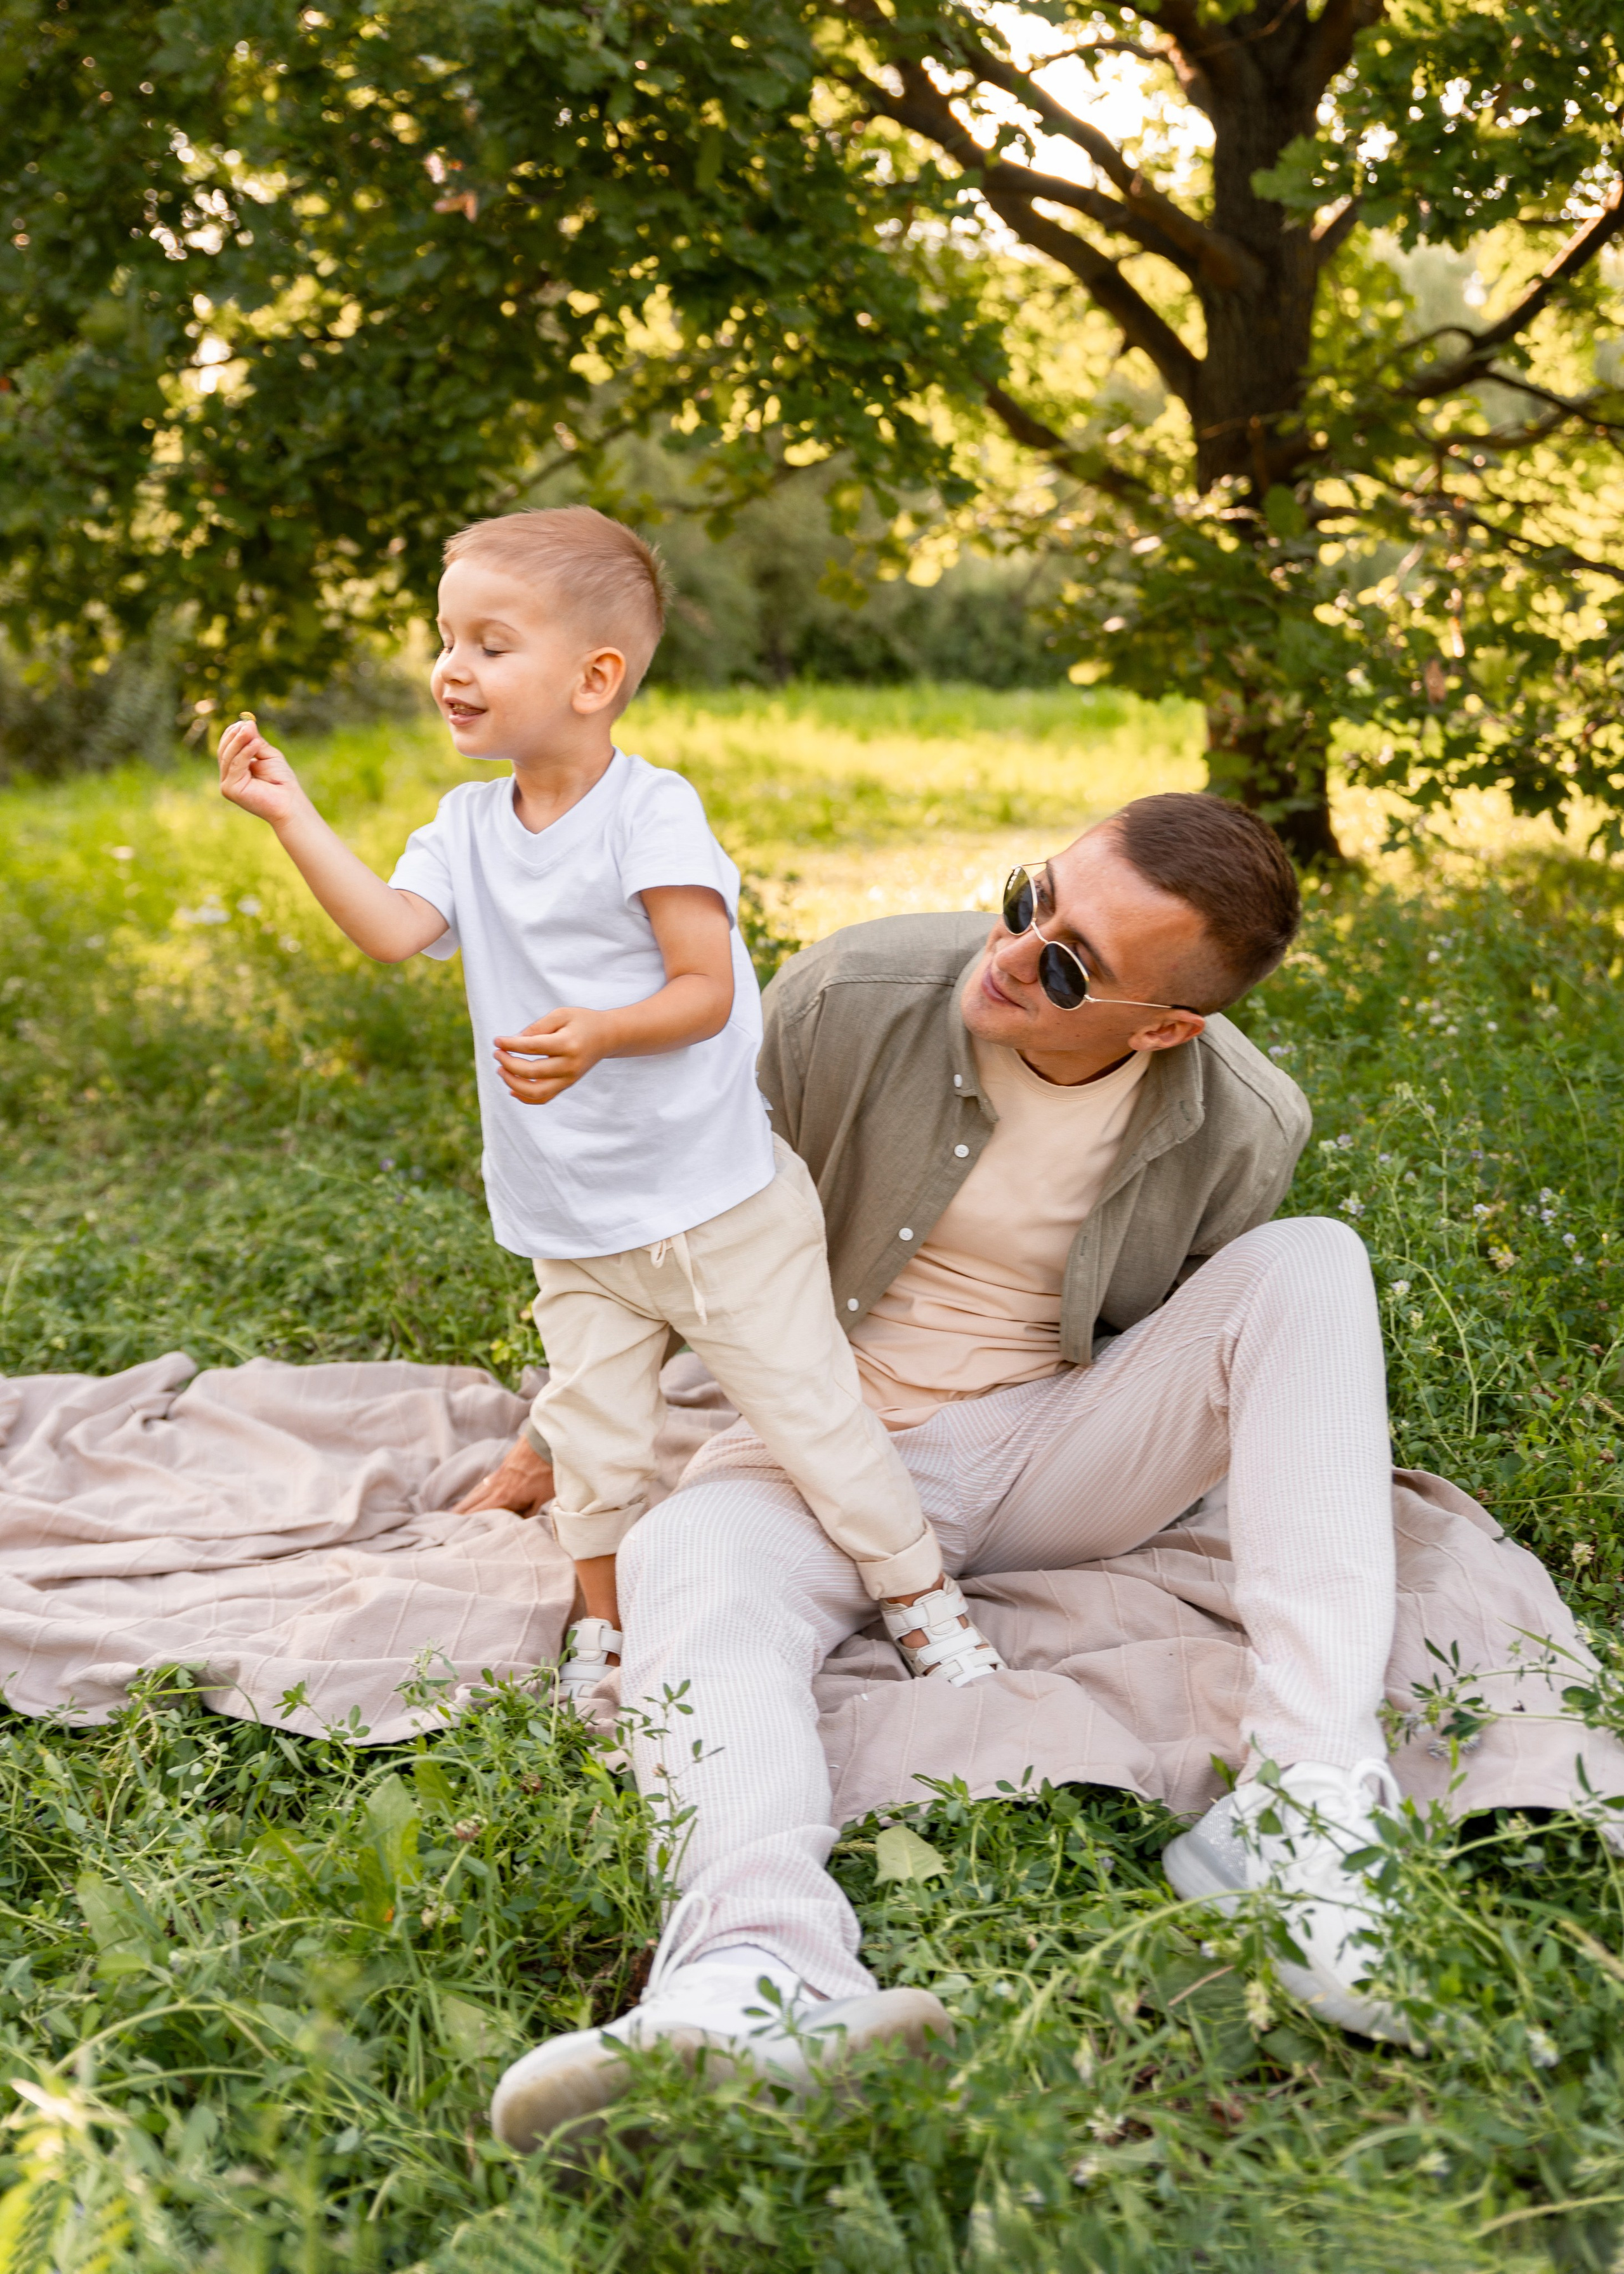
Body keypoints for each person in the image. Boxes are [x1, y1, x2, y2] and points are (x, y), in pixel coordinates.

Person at [488, 789, 1443, 2152]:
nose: (1010, 951)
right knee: (680, 1561)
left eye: (1067, 965)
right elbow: (650, 1209)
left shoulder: (1242, 1123)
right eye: (1026, 897)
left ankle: (1303, 1815)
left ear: (1166, 1026)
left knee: (1314, 1263)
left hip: (1044, 1450)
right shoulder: (847, 996)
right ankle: (756, 1969)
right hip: (806, 1444)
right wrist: (561, 1427)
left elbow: (1164, 1332)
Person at [216, 506, 1003, 1704]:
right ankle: (609, 1627)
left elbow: (703, 989)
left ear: (596, 678)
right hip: (574, 1218)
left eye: (490, 642)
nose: (451, 667)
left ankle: (918, 1597)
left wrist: (599, 1034)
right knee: (592, 1439)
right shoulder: (465, 826)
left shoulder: (651, 811)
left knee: (813, 1422)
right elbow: (389, 933)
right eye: (446, 637)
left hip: (715, 1207)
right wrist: (292, 818)